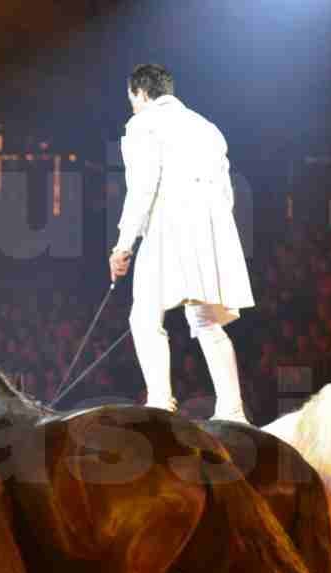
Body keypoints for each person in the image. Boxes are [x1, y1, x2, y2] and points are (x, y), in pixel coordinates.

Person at [110, 63, 253, 422]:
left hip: (171, 220)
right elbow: (226, 192)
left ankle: (160, 401)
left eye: (132, 100)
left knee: (144, 316)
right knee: (206, 319)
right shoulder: (208, 128)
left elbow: (142, 187)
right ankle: (233, 409)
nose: (133, 108)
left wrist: (123, 245)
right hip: (213, 226)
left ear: (142, 93)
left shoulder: (143, 124)